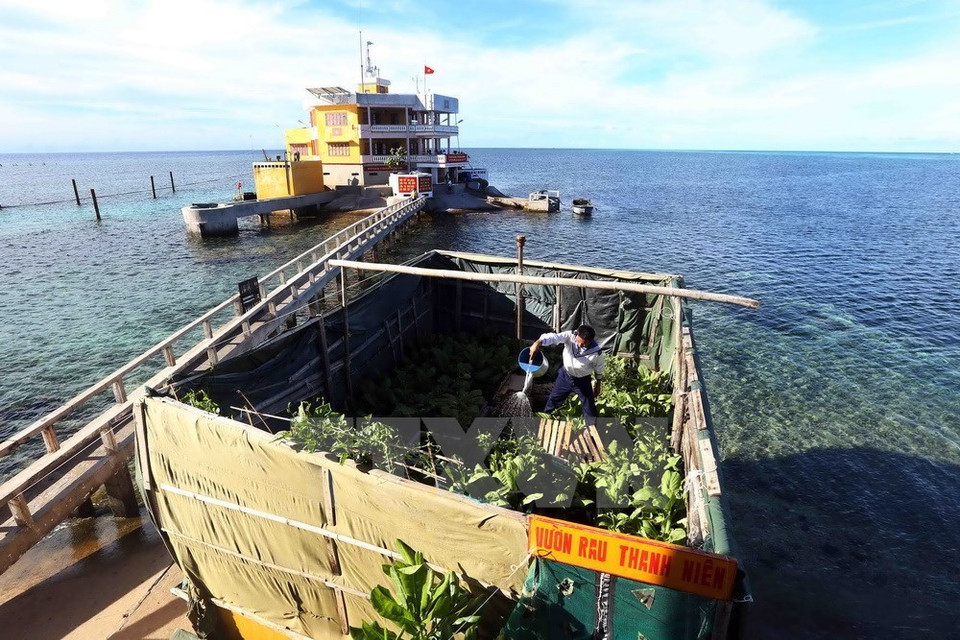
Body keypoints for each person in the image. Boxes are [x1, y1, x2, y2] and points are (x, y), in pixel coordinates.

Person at [529, 325, 605, 424]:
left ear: (590, 341)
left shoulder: (596, 352)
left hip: (583, 380)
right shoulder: (570, 335)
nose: (580, 345)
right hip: (565, 376)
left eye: (584, 345)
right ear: (577, 335)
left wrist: (598, 384)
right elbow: (554, 337)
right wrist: (537, 343)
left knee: (589, 406)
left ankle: (592, 430)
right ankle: (544, 421)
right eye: (579, 342)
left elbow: (599, 368)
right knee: (553, 399)